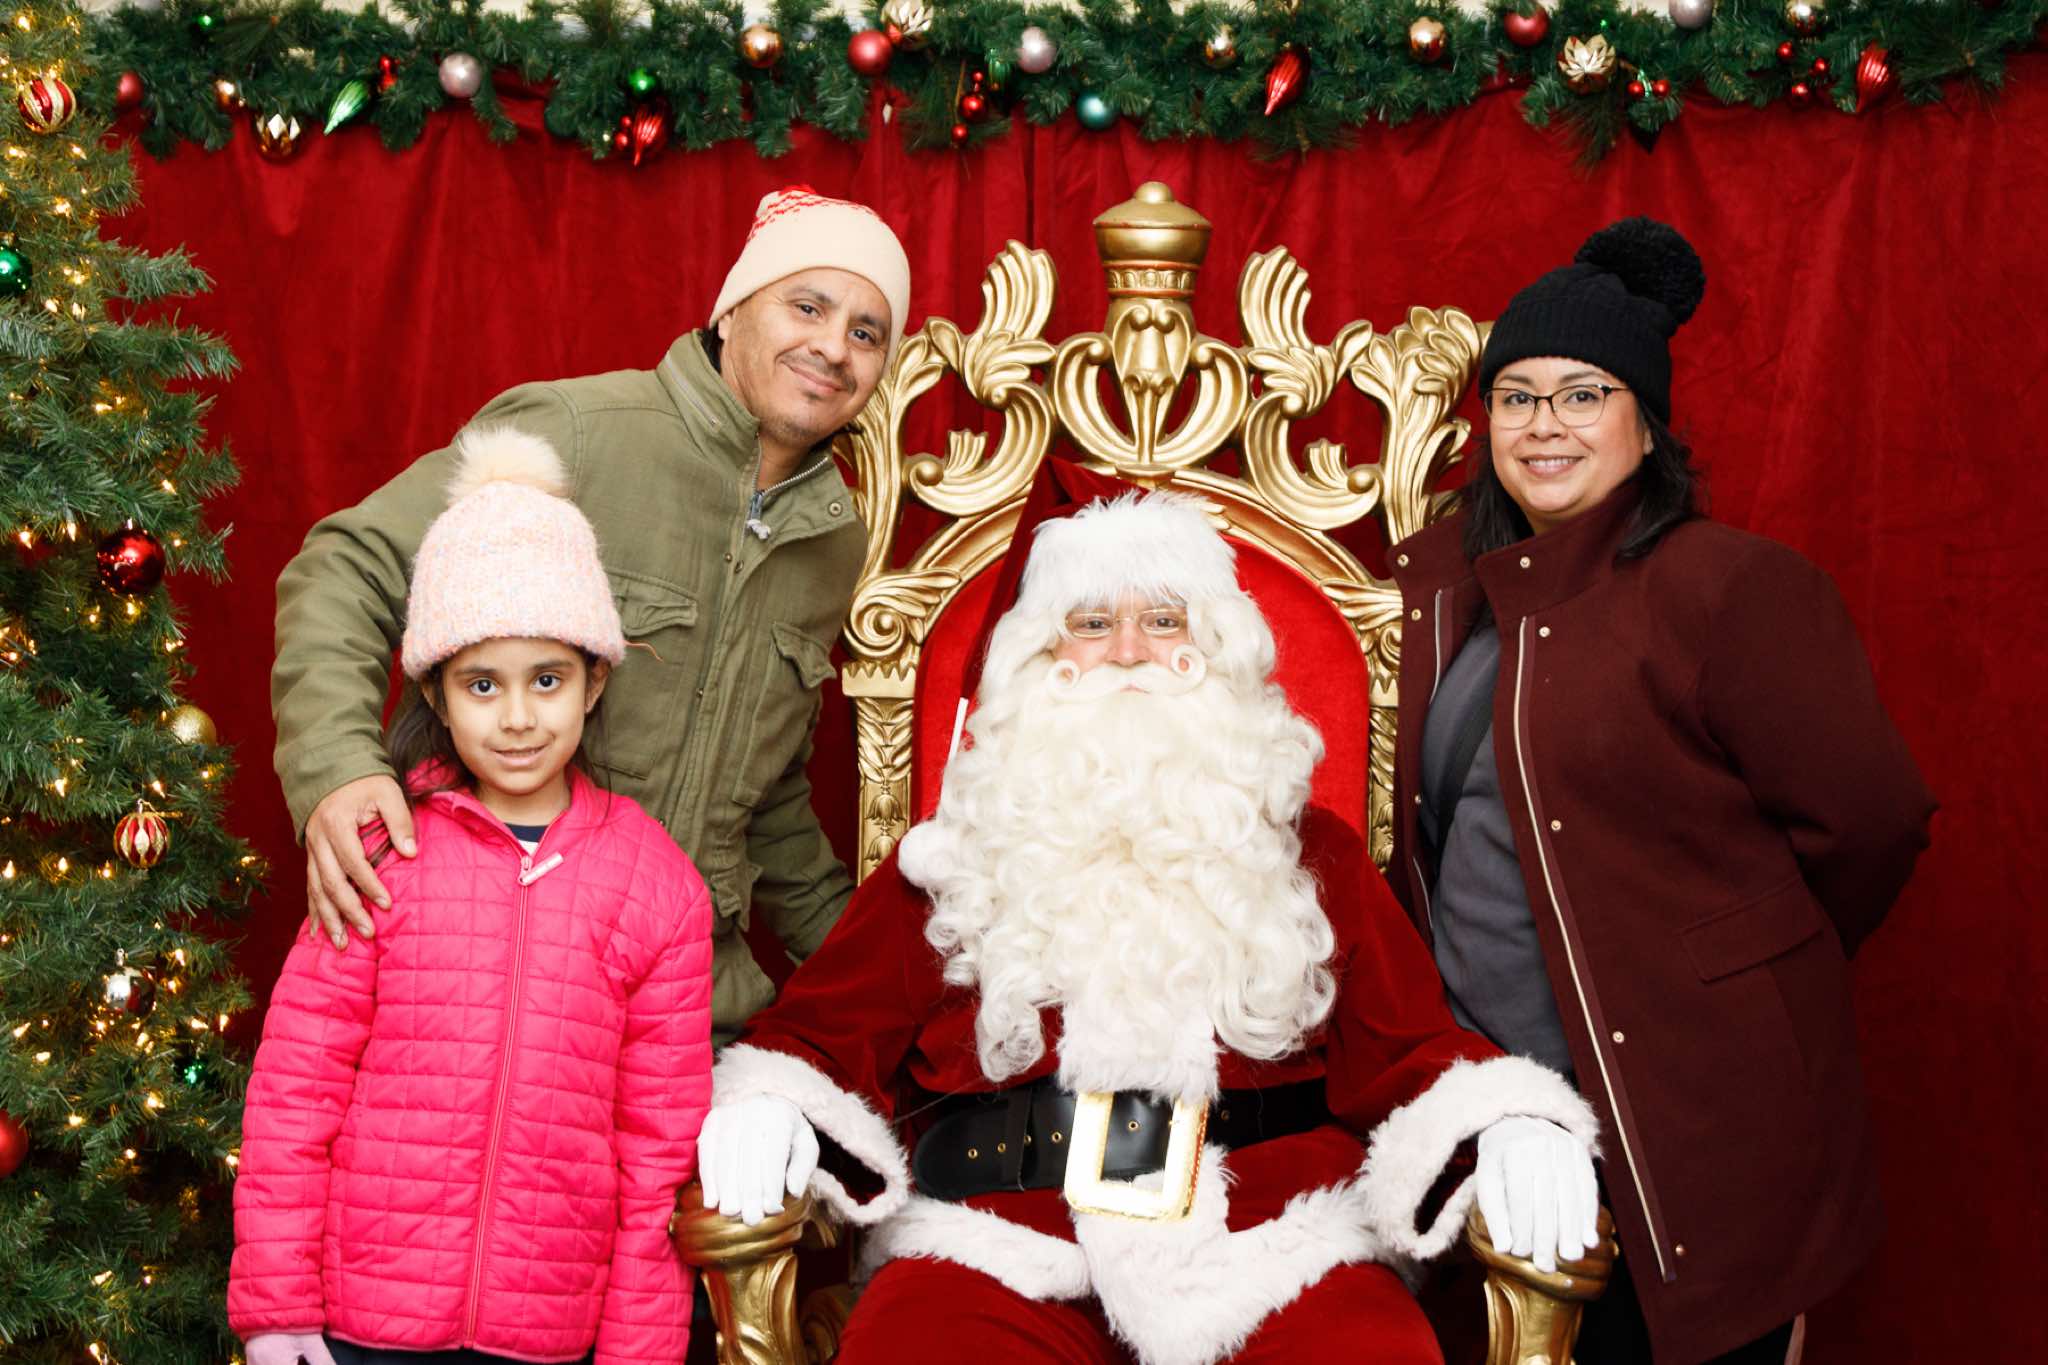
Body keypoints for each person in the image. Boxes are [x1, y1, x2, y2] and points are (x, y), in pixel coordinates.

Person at [694, 486, 1604, 1365]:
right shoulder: (954, 854)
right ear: (1039, 655)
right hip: (1000, 1244)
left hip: (1274, 1247)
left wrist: (1506, 1120)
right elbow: (819, 1033)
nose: (1128, 650)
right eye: (1092, 622)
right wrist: (774, 1099)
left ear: (1216, 647)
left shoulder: (1311, 851)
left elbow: (1415, 1051)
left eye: (1164, 620)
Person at [1386, 218, 1935, 1364]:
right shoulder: (1446, 587)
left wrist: (1734, 971)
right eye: (1515, 396)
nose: (1543, 424)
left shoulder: (1730, 590)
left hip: (1695, 1111)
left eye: (1582, 394)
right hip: (1495, 1108)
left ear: (1645, 423)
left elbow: (1870, 822)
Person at [271, 187, 910, 1038]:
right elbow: (346, 565)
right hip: (490, 979)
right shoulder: (575, 433)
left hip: (686, 1006)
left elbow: (768, 797)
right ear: (732, 311)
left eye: (866, 333)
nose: (832, 348)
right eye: (808, 306)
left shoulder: (832, 540)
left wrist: (885, 972)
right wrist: (338, 768)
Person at [231, 431, 713, 1364]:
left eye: (548, 679)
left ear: (595, 680)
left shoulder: (657, 887)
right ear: (436, 691)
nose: (519, 717)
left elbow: (657, 1159)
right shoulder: (383, 851)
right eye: (482, 684)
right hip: (358, 1328)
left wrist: (639, 1354)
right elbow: (297, 1091)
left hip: (548, 1335)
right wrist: (277, 1307)